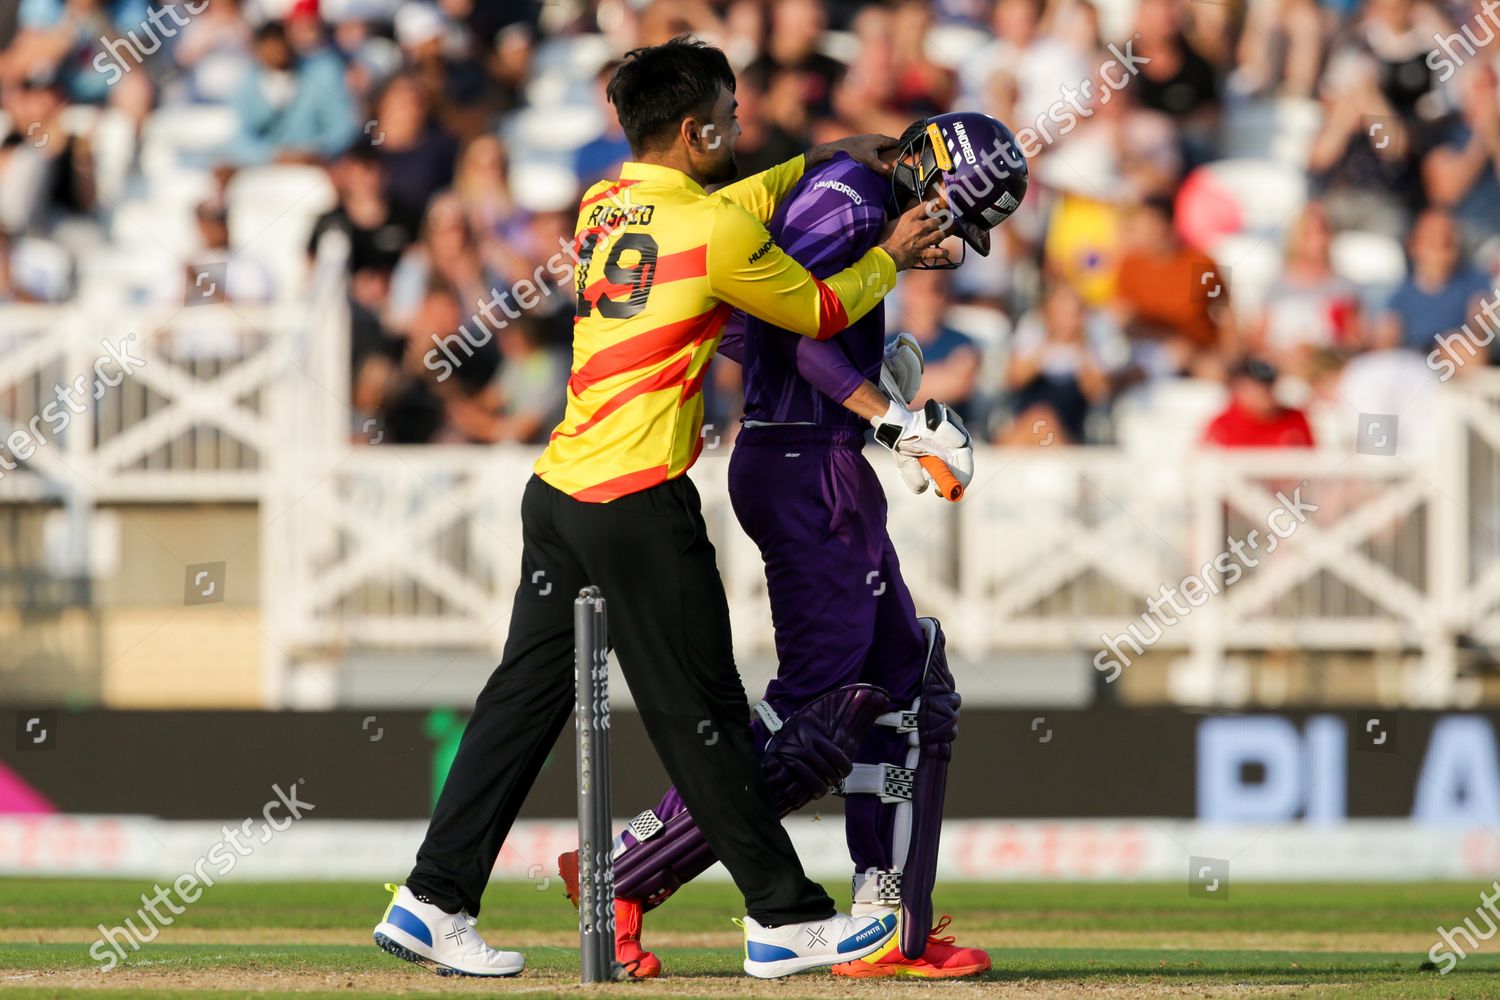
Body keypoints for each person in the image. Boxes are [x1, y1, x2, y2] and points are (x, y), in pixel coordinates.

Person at [371, 36, 950, 980]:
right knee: (707, 714)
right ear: (699, 128)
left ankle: (432, 899)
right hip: (637, 499)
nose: (742, 121)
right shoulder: (711, 233)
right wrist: (887, 252)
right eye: (730, 109)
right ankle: (786, 918)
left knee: (520, 705)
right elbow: (818, 313)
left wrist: (829, 159)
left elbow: (731, 200)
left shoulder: (611, 200)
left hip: (559, 491)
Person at [558, 111, 1026, 979]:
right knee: (820, 714)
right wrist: (893, 420)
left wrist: (864, 383)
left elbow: (751, 326)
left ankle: (891, 922)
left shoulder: (857, 195)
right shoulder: (851, 206)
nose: (948, 241)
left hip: (813, 457)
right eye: (953, 216)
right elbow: (788, 331)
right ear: (928, 175)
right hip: (804, 467)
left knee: (912, 686)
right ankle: (622, 874)